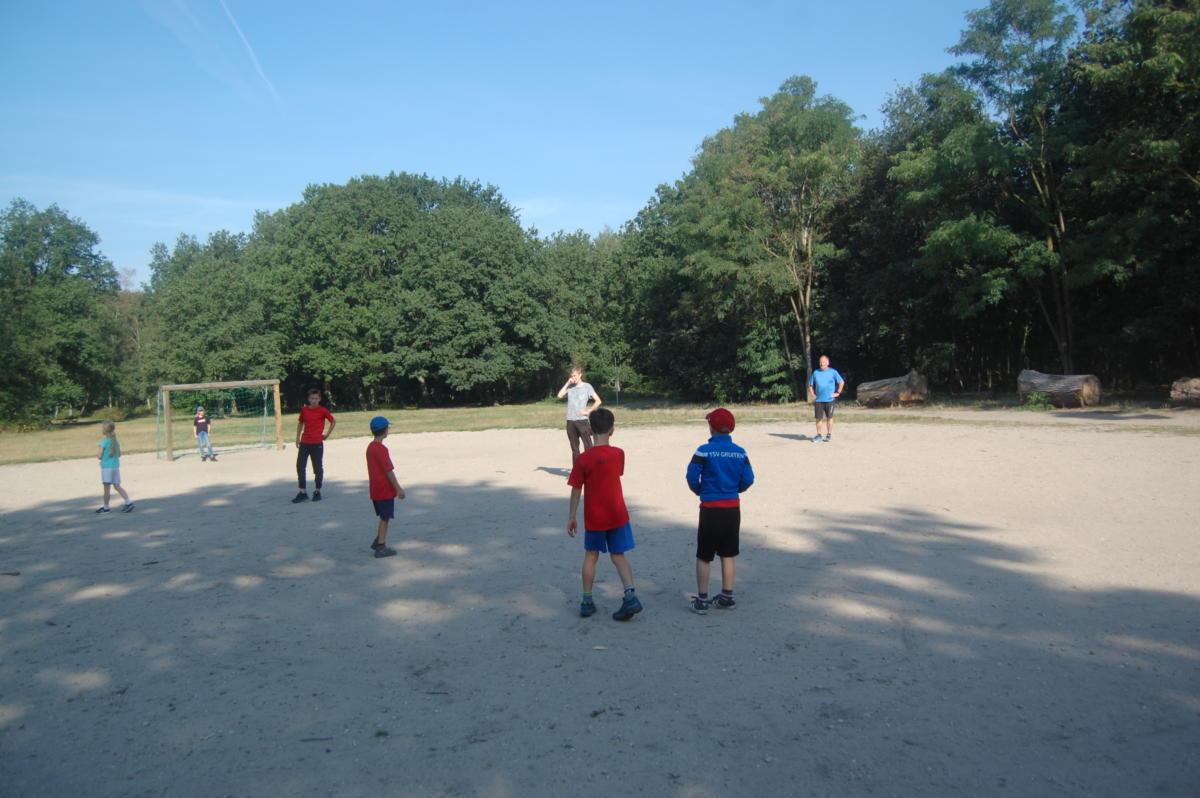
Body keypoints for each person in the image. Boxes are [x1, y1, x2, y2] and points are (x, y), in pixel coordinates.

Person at [566, 407, 642, 621]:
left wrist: (572, 516)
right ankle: (630, 596)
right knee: (619, 556)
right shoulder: (619, 454)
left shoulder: (583, 459)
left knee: (591, 557)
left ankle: (587, 601)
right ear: (612, 431)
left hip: (595, 517)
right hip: (617, 514)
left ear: (589, 430)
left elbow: (576, 489)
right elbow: (617, 473)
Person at [685, 408, 754, 614]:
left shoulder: (704, 451)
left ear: (711, 427)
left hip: (710, 508)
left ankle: (702, 600)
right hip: (732, 508)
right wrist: (735, 490)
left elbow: (691, 476)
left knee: (704, 556)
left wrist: (701, 491)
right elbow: (748, 479)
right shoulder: (740, 452)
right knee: (728, 554)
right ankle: (727, 596)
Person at [366, 416, 405, 558]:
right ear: (384, 431)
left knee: (384, 516)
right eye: (387, 428)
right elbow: (388, 470)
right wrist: (398, 488)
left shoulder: (371, 447)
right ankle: (381, 545)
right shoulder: (381, 449)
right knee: (385, 517)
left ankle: (378, 540)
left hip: (375, 488)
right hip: (383, 489)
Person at [293, 387, 335, 503]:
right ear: (309, 399)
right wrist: (297, 438)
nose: (314, 401)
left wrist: (327, 434)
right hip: (305, 442)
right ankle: (302, 492)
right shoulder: (304, 410)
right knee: (300, 466)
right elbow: (300, 423)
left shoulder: (323, 411)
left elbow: (333, 421)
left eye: (316, 398)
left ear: (319, 399)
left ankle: (317, 491)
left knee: (317, 468)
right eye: (312, 398)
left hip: (317, 443)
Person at [556, 367, 602, 463]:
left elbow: (598, 401)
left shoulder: (587, 387)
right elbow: (559, 395)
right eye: (572, 376)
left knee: (588, 446)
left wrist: (589, 411)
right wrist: (567, 383)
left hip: (582, 421)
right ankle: (577, 470)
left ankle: (590, 468)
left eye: (575, 375)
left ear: (580, 375)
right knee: (575, 448)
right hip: (570, 421)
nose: (573, 378)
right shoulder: (570, 386)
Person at [96, 420, 135, 514]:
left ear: (104, 430)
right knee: (117, 486)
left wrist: (102, 457)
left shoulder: (103, 443)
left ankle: (106, 507)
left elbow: (99, 456)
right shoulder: (116, 442)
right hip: (115, 467)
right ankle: (128, 502)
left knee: (106, 488)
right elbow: (119, 455)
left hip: (106, 468)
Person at [807, 355, 845, 442]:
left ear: (828, 363)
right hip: (819, 400)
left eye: (823, 362)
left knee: (829, 417)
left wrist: (838, 392)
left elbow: (841, 382)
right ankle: (819, 435)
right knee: (818, 418)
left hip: (830, 400)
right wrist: (813, 394)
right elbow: (810, 385)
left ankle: (829, 435)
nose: (822, 364)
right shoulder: (816, 372)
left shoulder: (833, 372)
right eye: (820, 362)